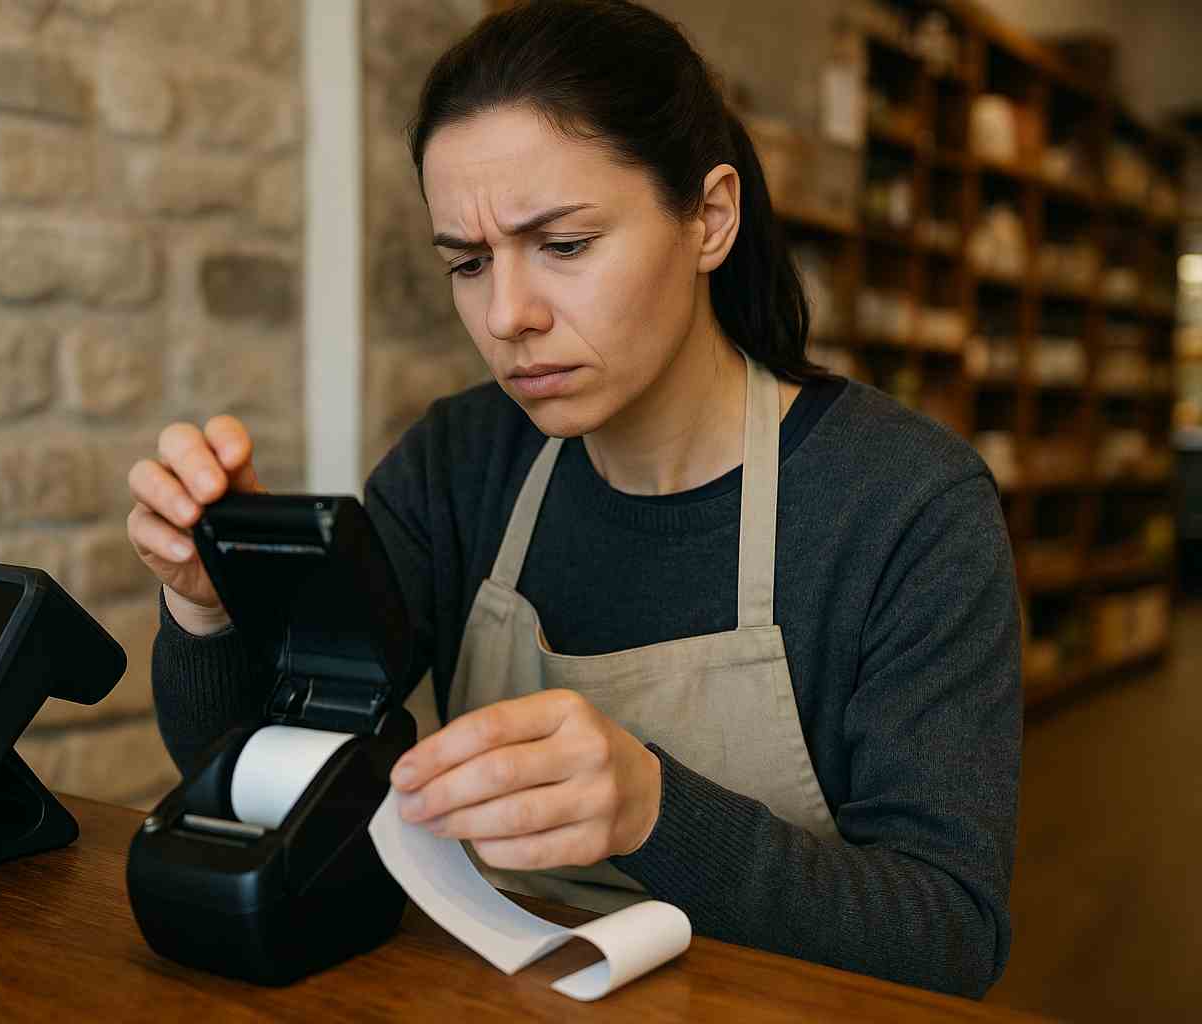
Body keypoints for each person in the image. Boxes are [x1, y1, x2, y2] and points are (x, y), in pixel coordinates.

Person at [125, 0, 1020, 1000]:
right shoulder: (460, 461)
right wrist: (211, 608)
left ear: (708, 218)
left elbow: (950, 936)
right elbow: (262, 776)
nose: (508, 316)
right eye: (468, 262)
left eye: (564, 245)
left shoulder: (907, 507)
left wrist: (654, 814)